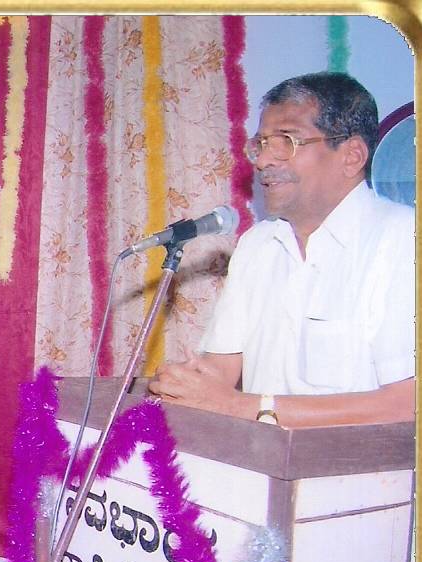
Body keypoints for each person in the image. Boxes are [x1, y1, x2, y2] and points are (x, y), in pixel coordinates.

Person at [150, 72, 414, 428]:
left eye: (285, 142)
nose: (262, 161)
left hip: (355, 463)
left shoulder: (401, 239)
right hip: (256, 459)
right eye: (260, 144)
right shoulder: (257, 244)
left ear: (351, 156)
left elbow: (407, 404)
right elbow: (220, 370)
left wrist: (242, 407)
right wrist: (186, 385)